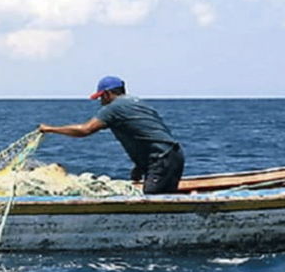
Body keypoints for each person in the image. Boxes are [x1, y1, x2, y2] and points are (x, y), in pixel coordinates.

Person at [39, 76, 184, 194]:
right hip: (173, 155)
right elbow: (150, 134)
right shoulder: (138, 104)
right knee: (163, 196)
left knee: (152, 202)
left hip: (161, 160)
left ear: (107, 94)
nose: (101, 103)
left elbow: (85, 129)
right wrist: (140, 166)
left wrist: (50, 129)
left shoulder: (114, 108)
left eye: (101, 98)